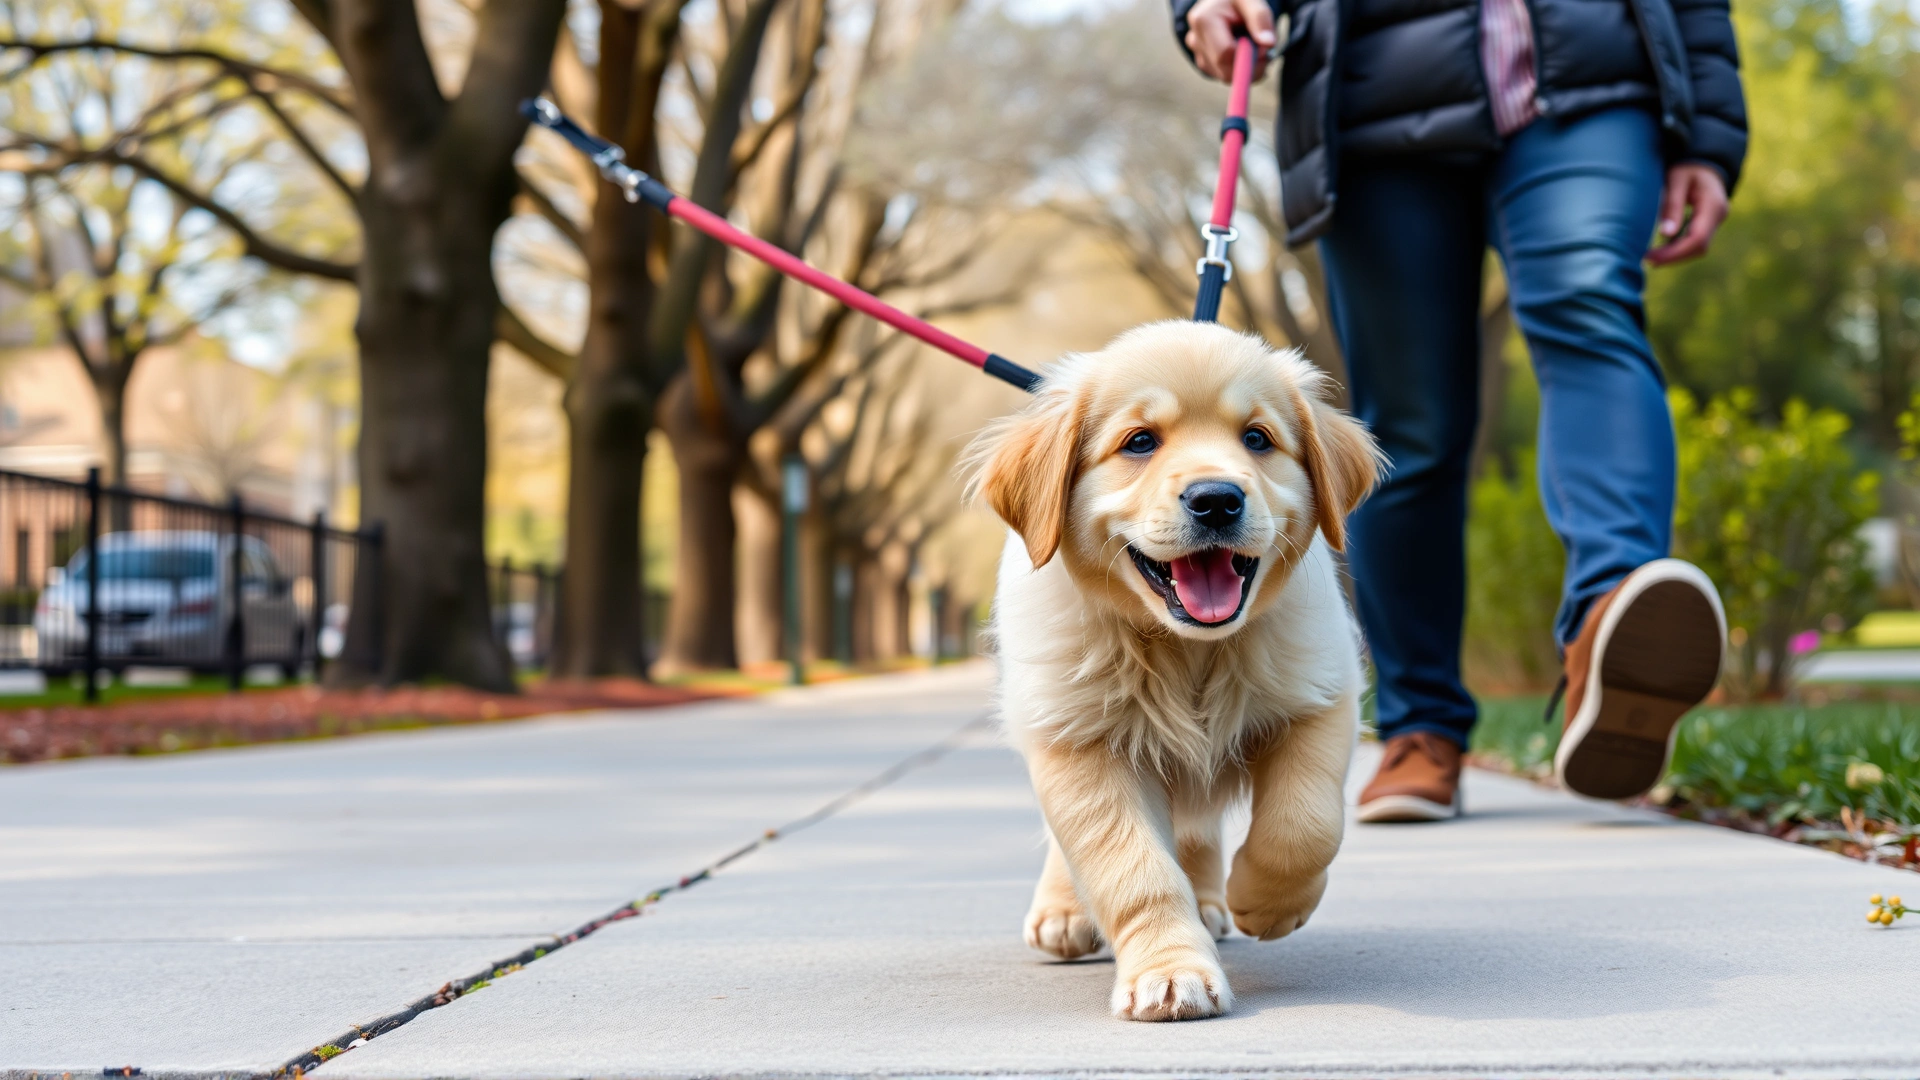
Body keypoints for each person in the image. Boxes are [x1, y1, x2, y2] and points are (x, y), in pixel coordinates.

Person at [1173, 0, 1746, 820]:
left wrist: (1708, 136)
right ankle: (1420, 728)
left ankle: (1614, 617)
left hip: (1592, 76)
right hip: (1376, 89)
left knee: (1588, 307)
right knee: (1406, 422)